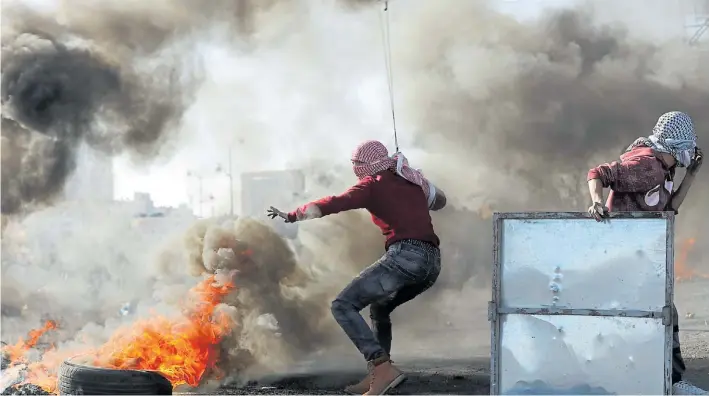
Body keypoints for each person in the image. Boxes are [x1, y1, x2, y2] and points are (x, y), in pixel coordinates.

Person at [267, 140, 447, 395]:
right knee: (379, 307)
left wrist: (293, 215)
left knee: (342, 305)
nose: (356, 170)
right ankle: (377, 376)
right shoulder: (411, 180)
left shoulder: (372, 185)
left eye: (358, 165)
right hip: (431, 264)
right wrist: (412, 173)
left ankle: (382, 368)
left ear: (369, 165)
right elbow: (440, 201)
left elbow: (334, 202)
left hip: (407, 257)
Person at [586, 111, 703, 389]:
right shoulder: (646, 165)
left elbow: (669, 209)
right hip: (622, 257)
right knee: (646, 319)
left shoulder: (664, 168)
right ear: (676, 145)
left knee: (664, 314)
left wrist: (691, 175)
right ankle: (662, 383)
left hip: (640, 258)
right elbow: (599, 173)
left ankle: (669, 382)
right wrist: (596, 202)